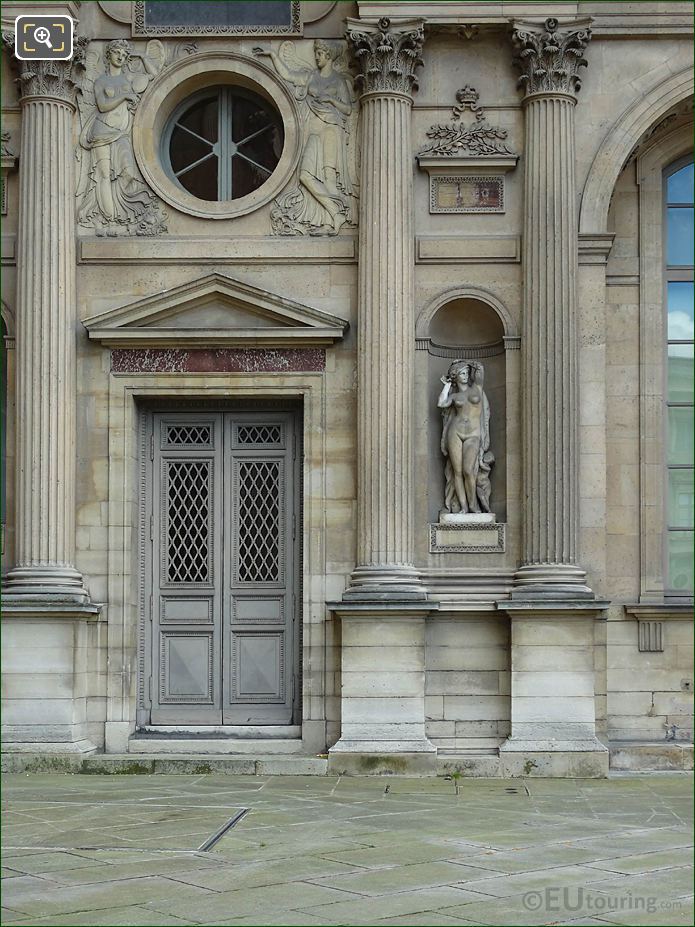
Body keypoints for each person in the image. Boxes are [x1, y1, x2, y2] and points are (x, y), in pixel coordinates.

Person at [255, 40, 357, 234]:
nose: (317, 56)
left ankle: (330, 223)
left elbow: (348, 109)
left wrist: (331, 99)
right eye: (316, 52)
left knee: (329, 177)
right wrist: (273, 56)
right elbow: (288, 76)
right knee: (305, 175)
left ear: (328, 55)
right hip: (314, 130)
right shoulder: (311, 77)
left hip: (331, 128)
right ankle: (336, 211)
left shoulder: (338, 81)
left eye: (320, 53)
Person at [77, 39, 161, 234]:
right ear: (109, 55)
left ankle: (121, 214)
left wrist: (141, 56)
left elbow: (154, 75)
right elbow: (102, 106)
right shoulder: (101, 81)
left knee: (127, 173)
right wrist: (123, 96)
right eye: (117, 53)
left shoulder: (129, 77)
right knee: (104, 175)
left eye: (124, 55)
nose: (121, 57)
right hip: (101, 132)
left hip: (122, 132)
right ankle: (109, 219)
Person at [438, 360, 494, 514]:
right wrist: (447, 384)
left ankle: (473, 505)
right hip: (455, 432)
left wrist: (467, 363)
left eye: (467, 373)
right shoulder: (454, 395)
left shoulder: (477, 387)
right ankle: (463, 507)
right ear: (455, 376)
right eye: (462, 373)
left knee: (468, 470)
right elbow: (441, 403)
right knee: (457, 472)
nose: (466, 376)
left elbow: (480, 369)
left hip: (473, 434)